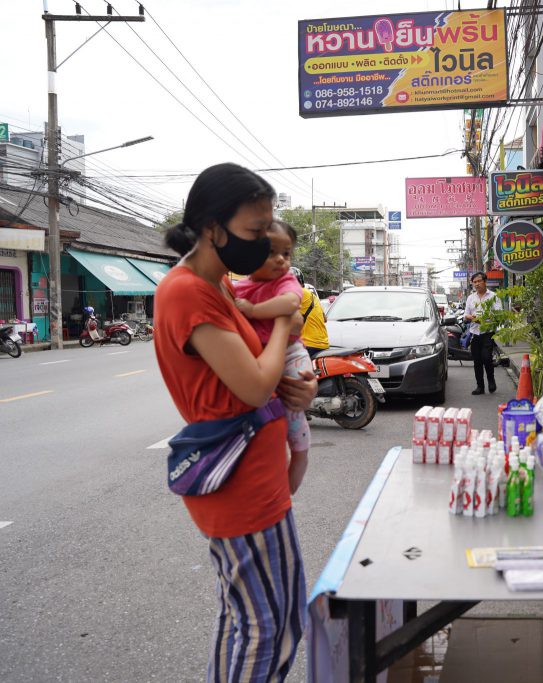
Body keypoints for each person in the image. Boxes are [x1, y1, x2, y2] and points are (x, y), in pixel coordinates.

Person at [155, 163, 317, 682]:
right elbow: (253, 386)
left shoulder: (218, 283)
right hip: (238, 485)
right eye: (254, 231)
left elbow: (260, 377)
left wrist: (303, 386)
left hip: (259, 476)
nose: (263, 243)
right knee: (267, 627)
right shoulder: (187, 292)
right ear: (212, 228)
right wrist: (284, 324)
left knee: (263, 618)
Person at [232, 221, 312, 495]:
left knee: (293, 413)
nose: (280, 259)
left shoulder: (285, 281)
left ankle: (288, 490)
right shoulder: (238, 288)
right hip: (261, 361)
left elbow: (291, 304)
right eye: (271, 252)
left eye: (286, 253)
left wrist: (253, 311)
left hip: (289, 355)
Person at [463, 271, 501, 395]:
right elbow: (465, 315)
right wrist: (471, 317)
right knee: (477, 361)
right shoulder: (470, 298)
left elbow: (499, 313)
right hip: (474, 332)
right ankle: (480, 386)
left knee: (486, 357)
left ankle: (491, 381)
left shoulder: (493, 296)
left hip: (488, 332)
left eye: (479, 281)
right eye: (475, 282)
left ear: (485, 282)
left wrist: (485, 318)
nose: (477, 284)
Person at [290, 267, 330, 359]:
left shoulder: (299, 293)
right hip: (322, 343)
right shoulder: (312, 296)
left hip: (309, 344)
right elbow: (324, 319)